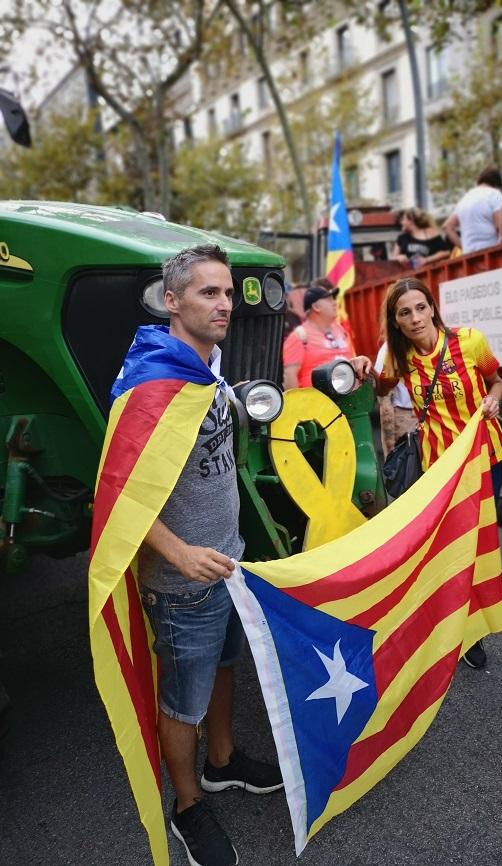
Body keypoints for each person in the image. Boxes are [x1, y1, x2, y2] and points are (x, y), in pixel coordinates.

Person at [127, 245, 283, 866]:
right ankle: (188, 804)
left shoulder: (206, 365)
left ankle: (221, 764)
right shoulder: (152, 383)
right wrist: (179, 553)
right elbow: (117, 496)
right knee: (181, 702)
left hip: (227, 561)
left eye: (226, 293)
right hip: (183, 580)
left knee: (224, 666)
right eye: (207, 294)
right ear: (172, 301)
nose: (225, 305)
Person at [351, 276, 502, 669]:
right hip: (440, 465)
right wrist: (362, 365)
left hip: (485, 454)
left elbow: (496, 380)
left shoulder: (469, 341)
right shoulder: (398, 358)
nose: (416, 318)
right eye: (405, 312)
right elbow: (379, 387)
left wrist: (492, 398)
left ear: (433, 308)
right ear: (397, 321)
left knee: (481, 543)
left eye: (421, 307)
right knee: (454, 546)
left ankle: (475, 623)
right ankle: (462, 629)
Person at [283, 278, 355, 389]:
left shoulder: (340, 330)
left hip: (348, 400)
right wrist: (298, 405)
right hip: (317, 404)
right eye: (329, 300)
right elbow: (290, 376)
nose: (335, 303)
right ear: (316, 307)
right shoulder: (299, 336)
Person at [443, 167, 502, 254]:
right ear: (497, 184)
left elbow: (447, 227)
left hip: (469, 255)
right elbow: (498, 227)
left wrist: (464, 247)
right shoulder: (494, 194)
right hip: (492, 251)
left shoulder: (465, 199)